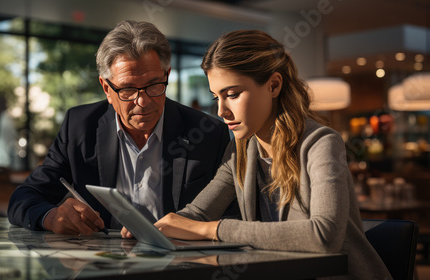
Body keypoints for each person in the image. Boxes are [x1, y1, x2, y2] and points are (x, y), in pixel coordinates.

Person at [123, 30, 392, 279]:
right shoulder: (241, 150)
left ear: (273, 86)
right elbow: (198, 214)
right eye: (217, 97)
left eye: (232, 94)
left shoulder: (321, 143)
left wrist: (212, 230)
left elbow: (324, 236)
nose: (221, 111)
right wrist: (152, 228)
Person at [7, 20, 232, 236]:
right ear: (106, 88)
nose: (142, 101)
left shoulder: (208, 133)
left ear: (167, 76)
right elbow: (24, 198)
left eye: (154, 85)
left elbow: (229, 218)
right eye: (127, 90)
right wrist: (51, 217)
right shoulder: (79, 127)